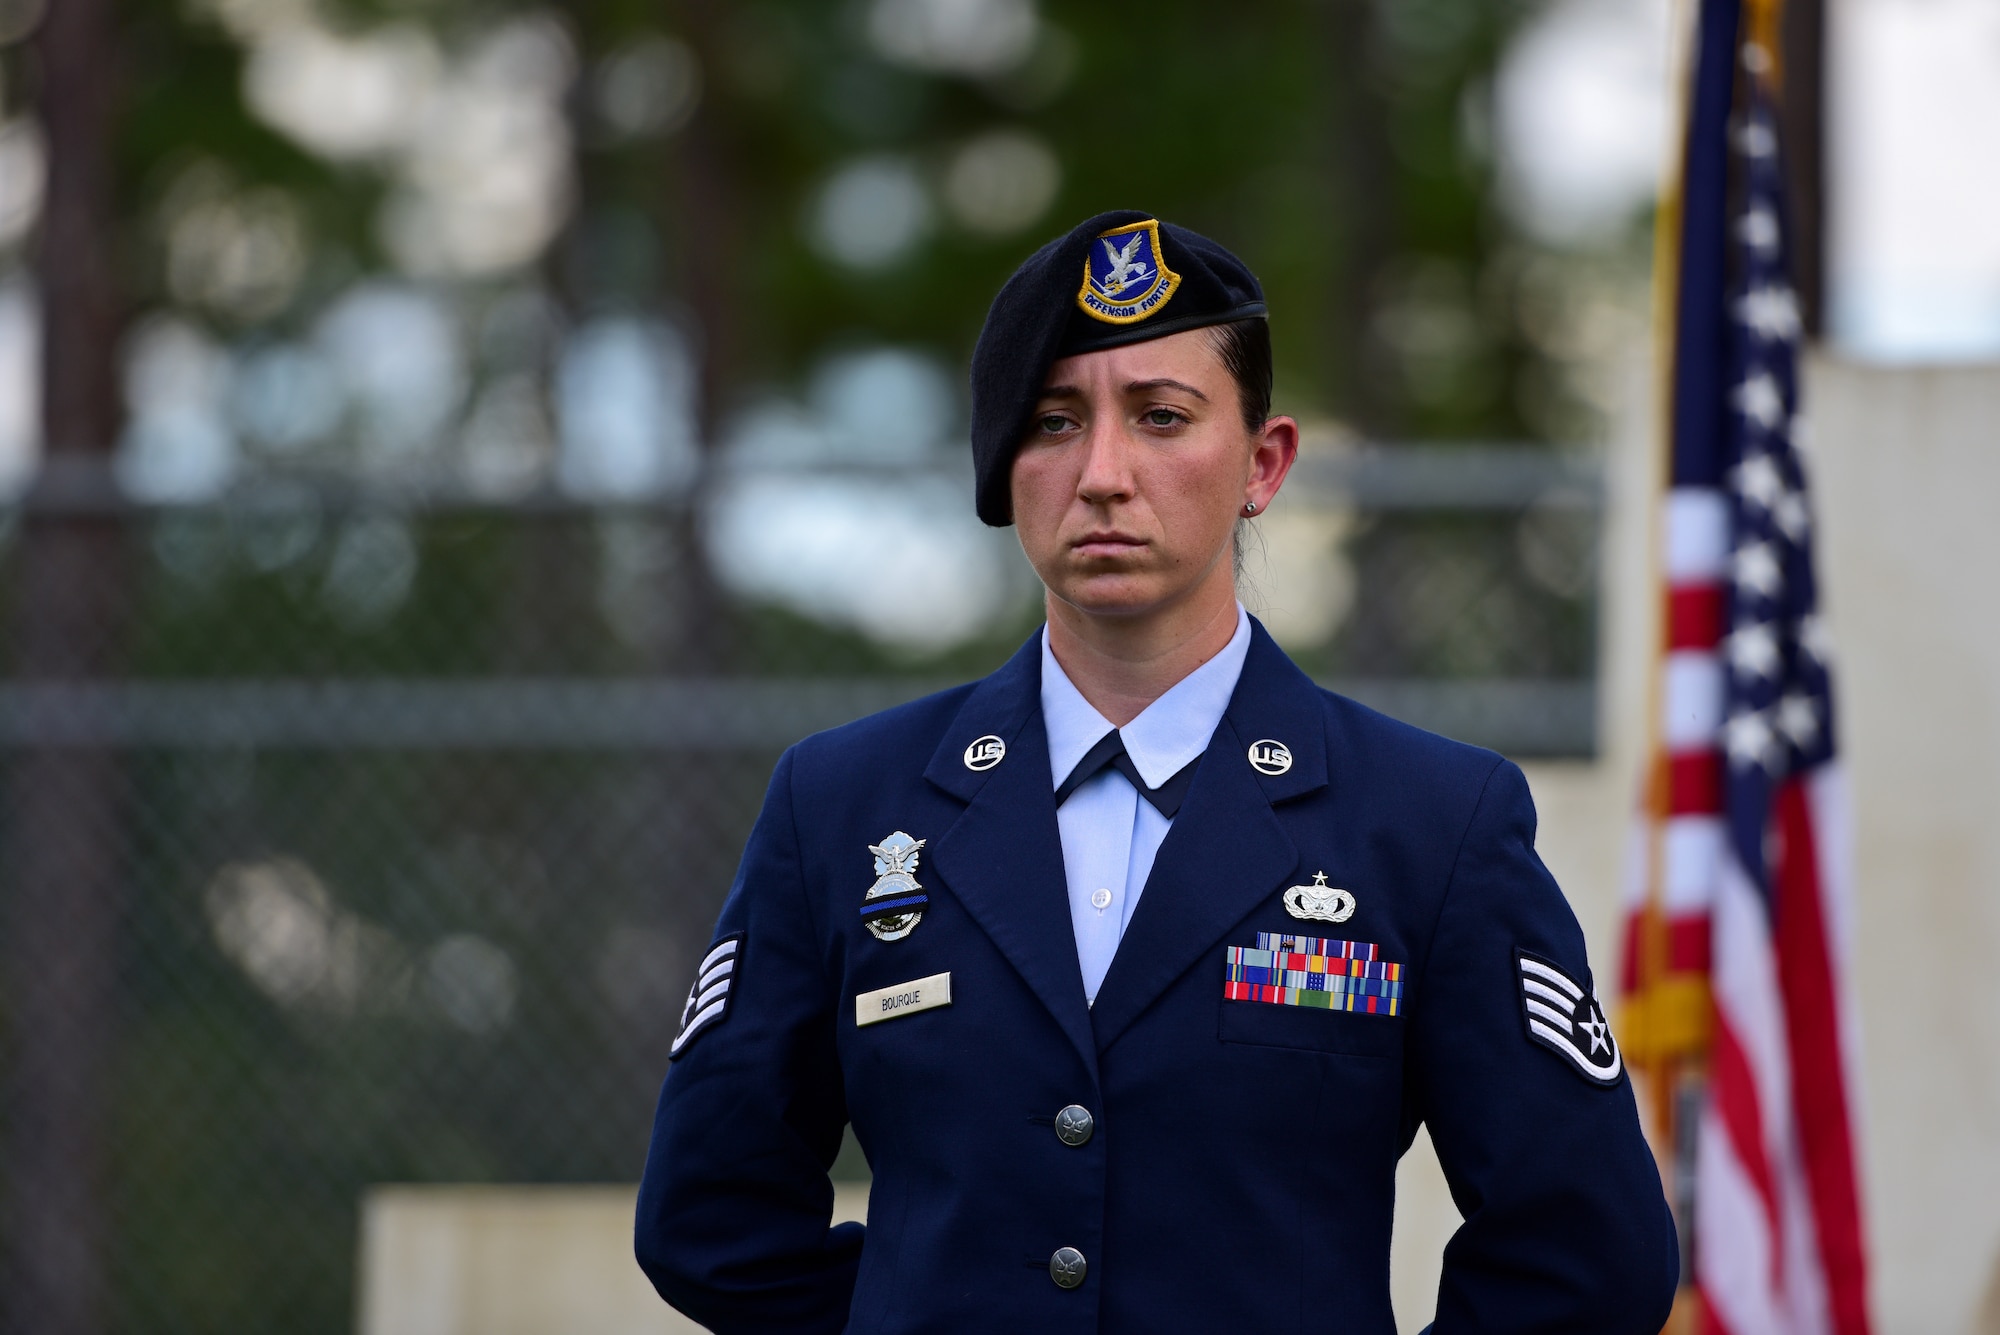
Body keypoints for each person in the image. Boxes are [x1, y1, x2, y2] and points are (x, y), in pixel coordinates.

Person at [635, 210, 1678, 1334]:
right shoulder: (843, 807)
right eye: (1051, 423)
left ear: (1261, 464)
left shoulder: (1426, 823)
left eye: (1161, 418)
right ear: (1002, 466)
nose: (1102, 475)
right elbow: (710, 1215)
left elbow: (1586, 1252)